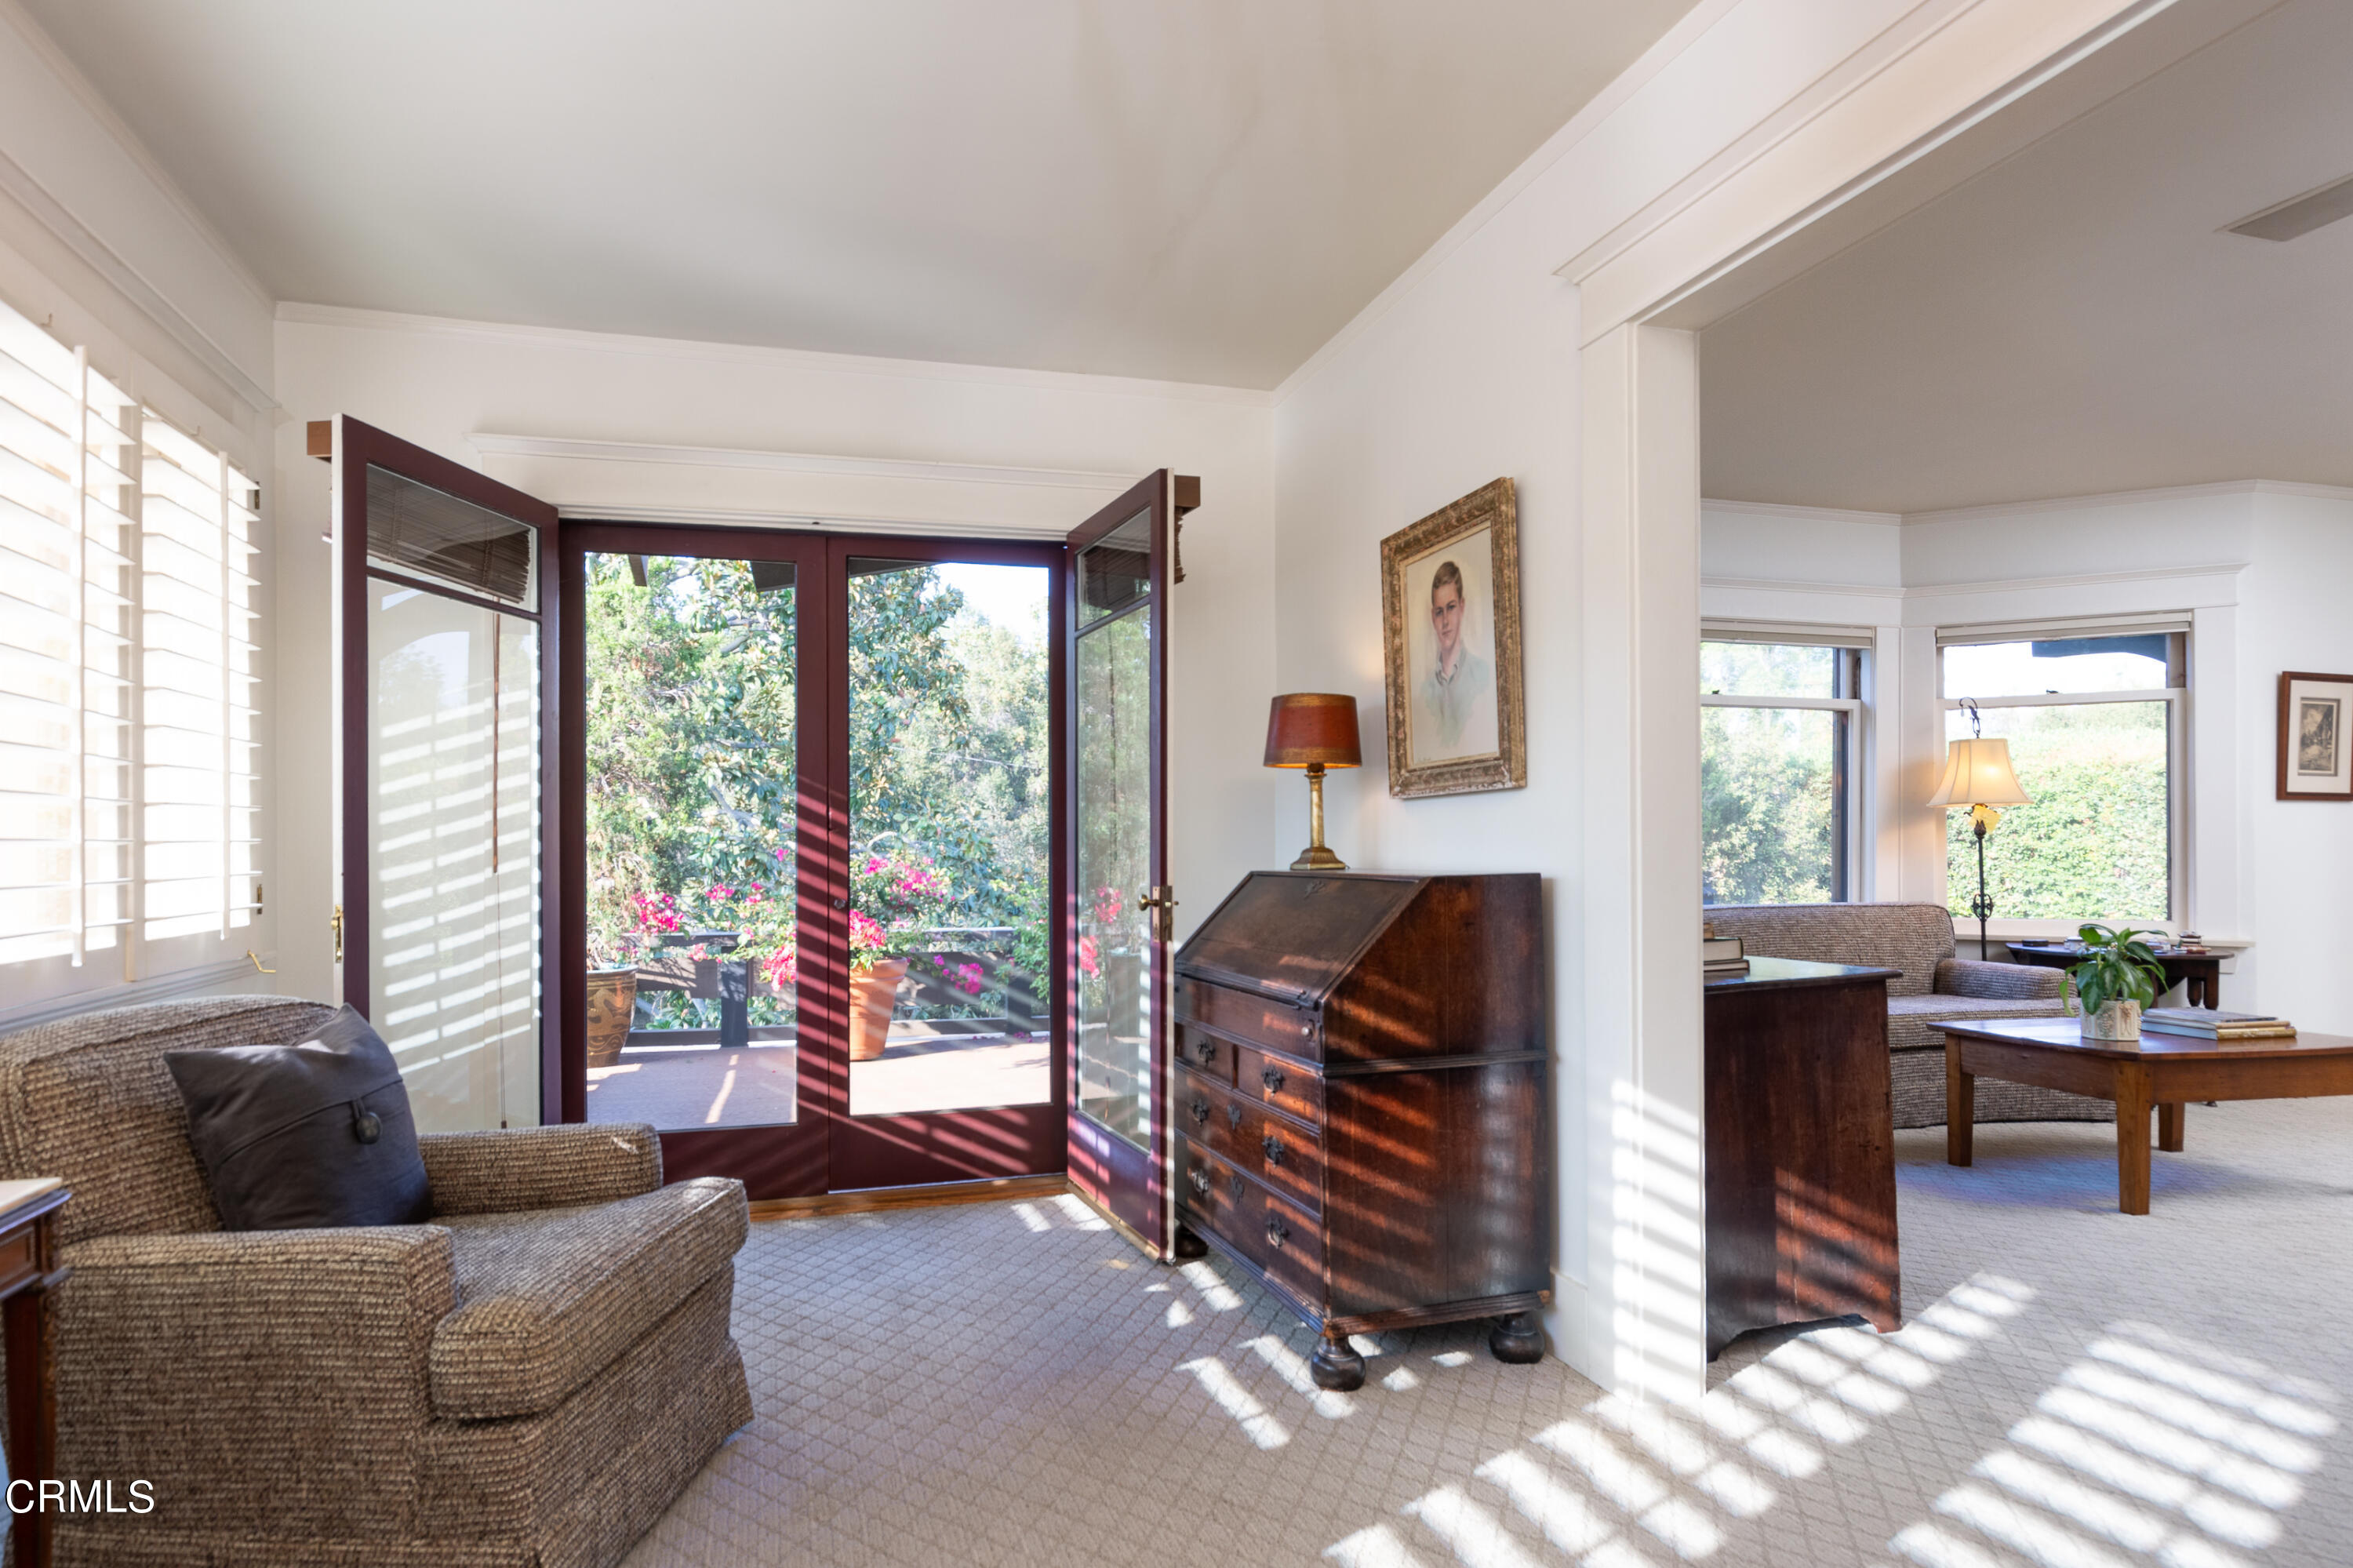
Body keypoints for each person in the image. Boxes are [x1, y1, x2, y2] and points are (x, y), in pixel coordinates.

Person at [1415, 558, 1495, 757]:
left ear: (1462, 606)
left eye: (1451, 608)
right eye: (1439, 612)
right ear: (1432, 617)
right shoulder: (1425, 692)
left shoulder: (1482, 676)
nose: (1445, 622)